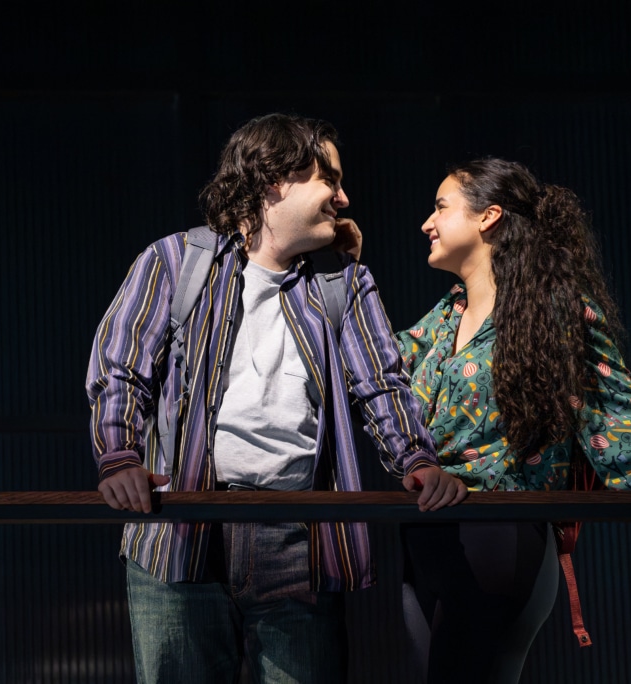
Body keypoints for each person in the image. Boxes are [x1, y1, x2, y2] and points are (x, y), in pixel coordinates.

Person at [85, 113, 467, 684]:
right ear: (272, 179)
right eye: (328, 179)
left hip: (297, 539)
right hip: (181, 535)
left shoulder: (344, 281)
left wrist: (416, 459)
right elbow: (120, 369)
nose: (343, 197)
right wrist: (119, 458)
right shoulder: (174, 262)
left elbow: (381, 382)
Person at [367, 157, 631, 684]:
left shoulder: (552, 309)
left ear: (489, 217)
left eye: (440, 207)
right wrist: (345, 283)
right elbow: (374, 370)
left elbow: (610, 401)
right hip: (427, 537)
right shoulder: (446, 316)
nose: (426, 223)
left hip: (498, 534)